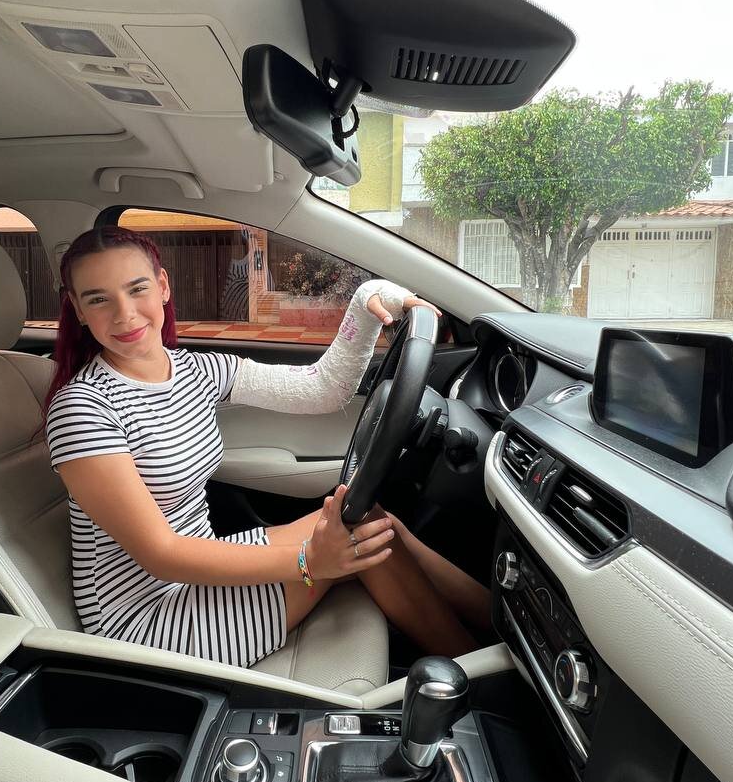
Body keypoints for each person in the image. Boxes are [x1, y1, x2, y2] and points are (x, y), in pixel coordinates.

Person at [44, 226, 490, 669]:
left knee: (375, 523)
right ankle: (481, 679)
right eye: (98, 299)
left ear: (162, 286)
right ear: (78, 310)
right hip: (146, 621)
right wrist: (308, 561)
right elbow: (161, 554)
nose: (124, 314)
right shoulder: (82, 408)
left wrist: (367, 300)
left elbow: (322, 388)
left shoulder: (195, 371)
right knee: (361, 538)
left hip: (196, 571)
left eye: (136, 288)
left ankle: (502, 627)